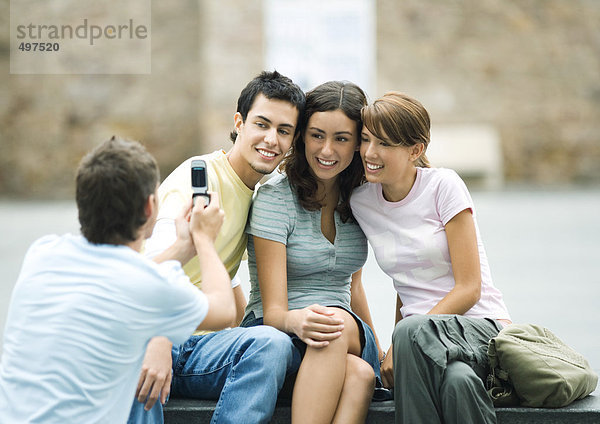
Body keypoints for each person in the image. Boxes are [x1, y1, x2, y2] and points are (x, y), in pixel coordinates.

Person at [0, 136, 235, 423]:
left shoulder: (43, 253)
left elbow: (117, 276)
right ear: (150, 208)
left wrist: (183, 248)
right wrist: (205, 239)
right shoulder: (149, 286)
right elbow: (224, 310)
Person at [128, 70, 306, 424]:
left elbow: (227, 274)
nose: (272, 139)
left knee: (273, 343)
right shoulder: (200, 179)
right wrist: (159, 341)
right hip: (161, 342)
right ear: (239, 123)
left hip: (201, 347)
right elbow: (150, 267)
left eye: (284, 131)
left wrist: (243, 329)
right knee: (270, 344)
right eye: (262, 124)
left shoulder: (254, 192)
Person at [350, 92, 512, 424]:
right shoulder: (362, 202)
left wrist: (401, 341)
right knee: (459, 382)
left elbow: (470, 288)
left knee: (410, 335)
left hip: (481, 327)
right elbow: (407, 281)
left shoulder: (444, 186)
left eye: (384, 143)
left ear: (415, 150)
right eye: (365, 140)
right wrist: (396, 338)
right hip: (421, 343)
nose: (370, 152)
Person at [241, 81, 383, 424]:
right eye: (317, 135)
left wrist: (379, 350)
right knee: (358, 375)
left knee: (338, 337)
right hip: (276, 330)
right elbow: (273, 310)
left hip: (340, 331)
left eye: (342, 138)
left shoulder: (360, 199)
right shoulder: (276, 199)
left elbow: (353, 287)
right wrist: (298, 320)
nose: (327, 150)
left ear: (358, 143)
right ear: (302, 135)